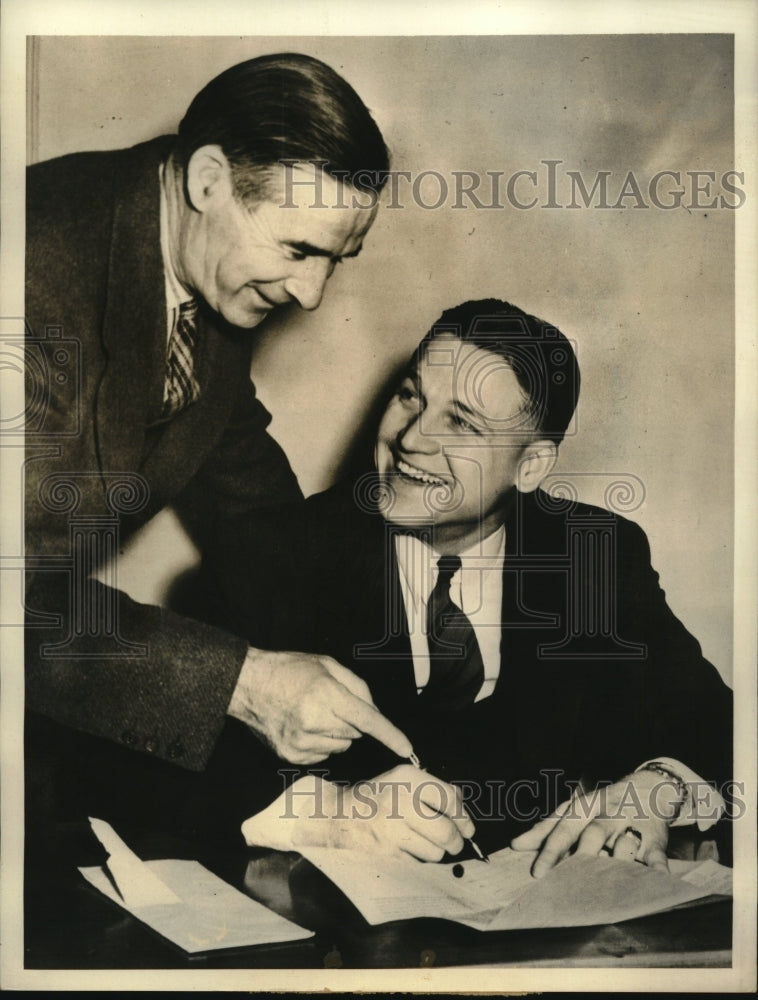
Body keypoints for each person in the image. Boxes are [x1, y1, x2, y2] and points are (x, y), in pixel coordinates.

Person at [201, 299, 733, 871]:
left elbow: (717, 724)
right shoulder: (274, 553)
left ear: (530, 466)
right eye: (411, 396)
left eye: (461, 422)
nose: (411, 439)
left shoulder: (593, 556)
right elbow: (163, 761)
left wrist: (657, 787)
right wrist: (328, 813)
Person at [24, 52, 412, 800]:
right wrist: (246, 684)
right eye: (298, 249)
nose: (311, 294)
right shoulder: (33, 274)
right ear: (208, 180)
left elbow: (252, 504)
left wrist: (371, 666)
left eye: (338, 258)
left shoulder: (200, 271)